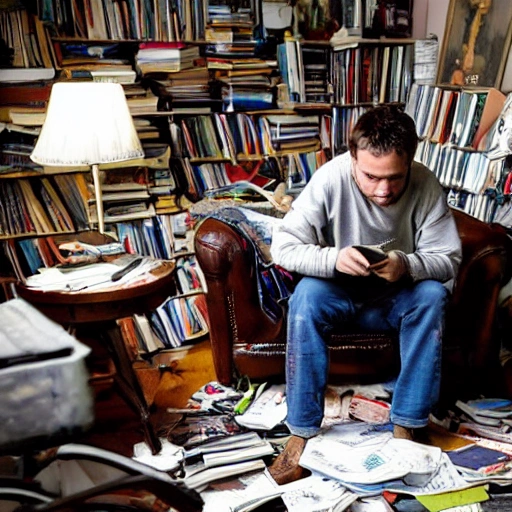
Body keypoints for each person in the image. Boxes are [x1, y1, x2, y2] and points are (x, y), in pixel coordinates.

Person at [268, 105, 462, 485]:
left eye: (395, 177)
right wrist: (334, 259)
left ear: (410, 160)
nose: (384, 190)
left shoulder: (425, 183)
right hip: (337, 293)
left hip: (395, 298)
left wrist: (406, 265)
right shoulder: (329, 179)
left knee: (432, 295)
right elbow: (284, 248)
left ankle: (406, 425)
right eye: (371, 176)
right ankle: (302, 431)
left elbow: (449, 259)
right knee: (306, 296)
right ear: (352, 158)